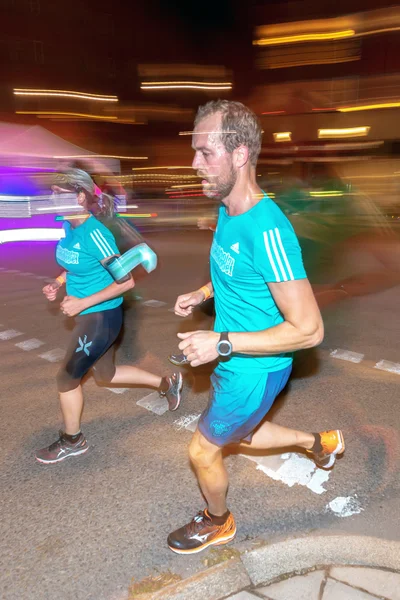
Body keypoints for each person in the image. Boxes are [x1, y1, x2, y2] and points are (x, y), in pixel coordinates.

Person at [167, 100, 344, 555]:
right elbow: (237, 272)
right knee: (242, 433)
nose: (194, 163)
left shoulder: (268, 230)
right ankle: (319, 443)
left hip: (253, 368)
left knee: (202, 451)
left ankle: (218, 521)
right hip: (237, 358)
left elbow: (310, 330)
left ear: (240, 154)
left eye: (205, 153)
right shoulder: (228, 208)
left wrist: (220, 341)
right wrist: (204, 295)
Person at [36, 169, 182, 464]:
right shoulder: (69, 227)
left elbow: (125, 281)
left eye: (58, 194)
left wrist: (82, 303)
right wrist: (58, 283)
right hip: (88, 315)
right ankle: (167, 383)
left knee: (66, 378)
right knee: (106, 375)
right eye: (50, 193)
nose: (51, 200)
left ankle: (73, 440)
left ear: (79, 198)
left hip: (100, 318)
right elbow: (78, 267)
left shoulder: (95, 234)